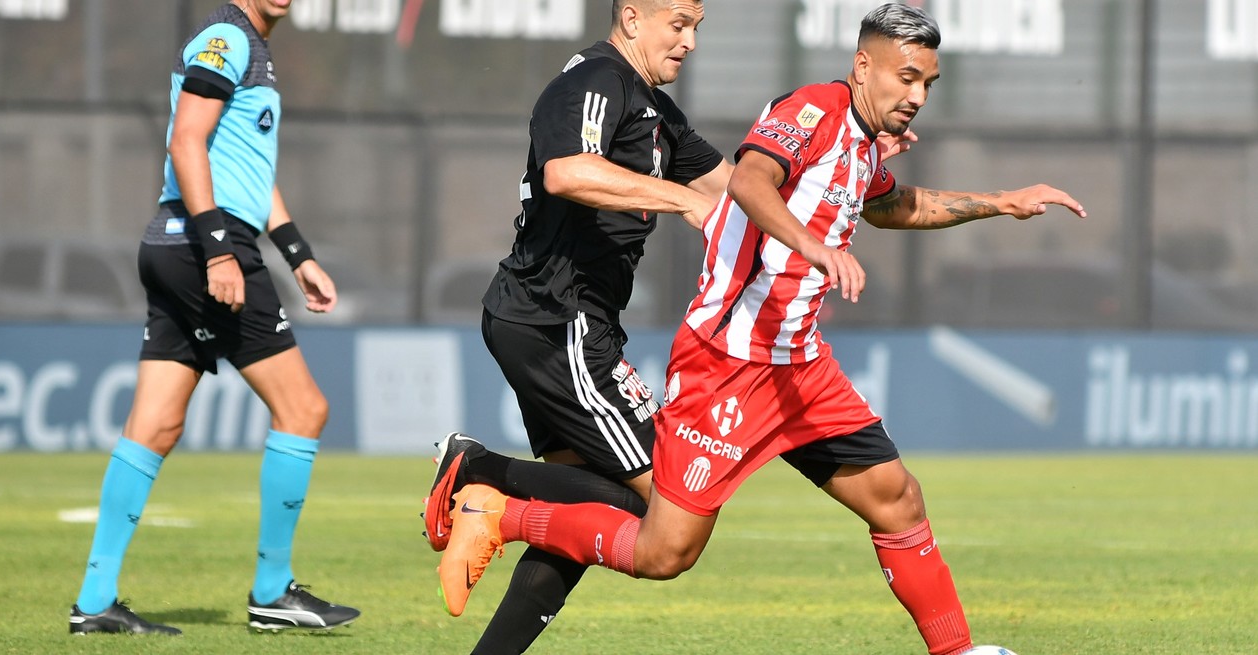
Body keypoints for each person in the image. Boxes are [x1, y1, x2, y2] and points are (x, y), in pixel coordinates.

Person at [436, 4, 1087, 655]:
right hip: (695, 356)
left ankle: (957, 650)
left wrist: (1000, 202)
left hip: (799, 365)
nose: (917, 96)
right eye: (907, 78)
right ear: (864, 66)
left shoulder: (729, 123)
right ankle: (489, 488)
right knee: (658, 539)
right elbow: (746, 178)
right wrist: (806, 240)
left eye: (928, 85)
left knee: (896, 496)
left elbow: (869, 202)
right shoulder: (799, 107)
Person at [423, 0, 732, 651]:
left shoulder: (656, 112)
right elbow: (568, 170)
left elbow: (739, 187)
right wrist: (685, 202)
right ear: (630, 18)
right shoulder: (595, 80)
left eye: (697, 27)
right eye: (678, 23)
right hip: (557, 319)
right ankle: (480, 471)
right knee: (663, 507)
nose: (689, 42)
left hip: (557, 320)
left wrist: (845, 168)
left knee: (575, 515)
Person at [68, 0, 359, 636]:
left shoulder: (253, 47)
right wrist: (219, 248)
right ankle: (272, 592)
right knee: (304, 410)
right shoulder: (227, 37)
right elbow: (185, 139)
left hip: (180, 242)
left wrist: (299, 256)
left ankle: (94, 602)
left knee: (156, 423)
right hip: (204, 245)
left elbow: (250, 173)